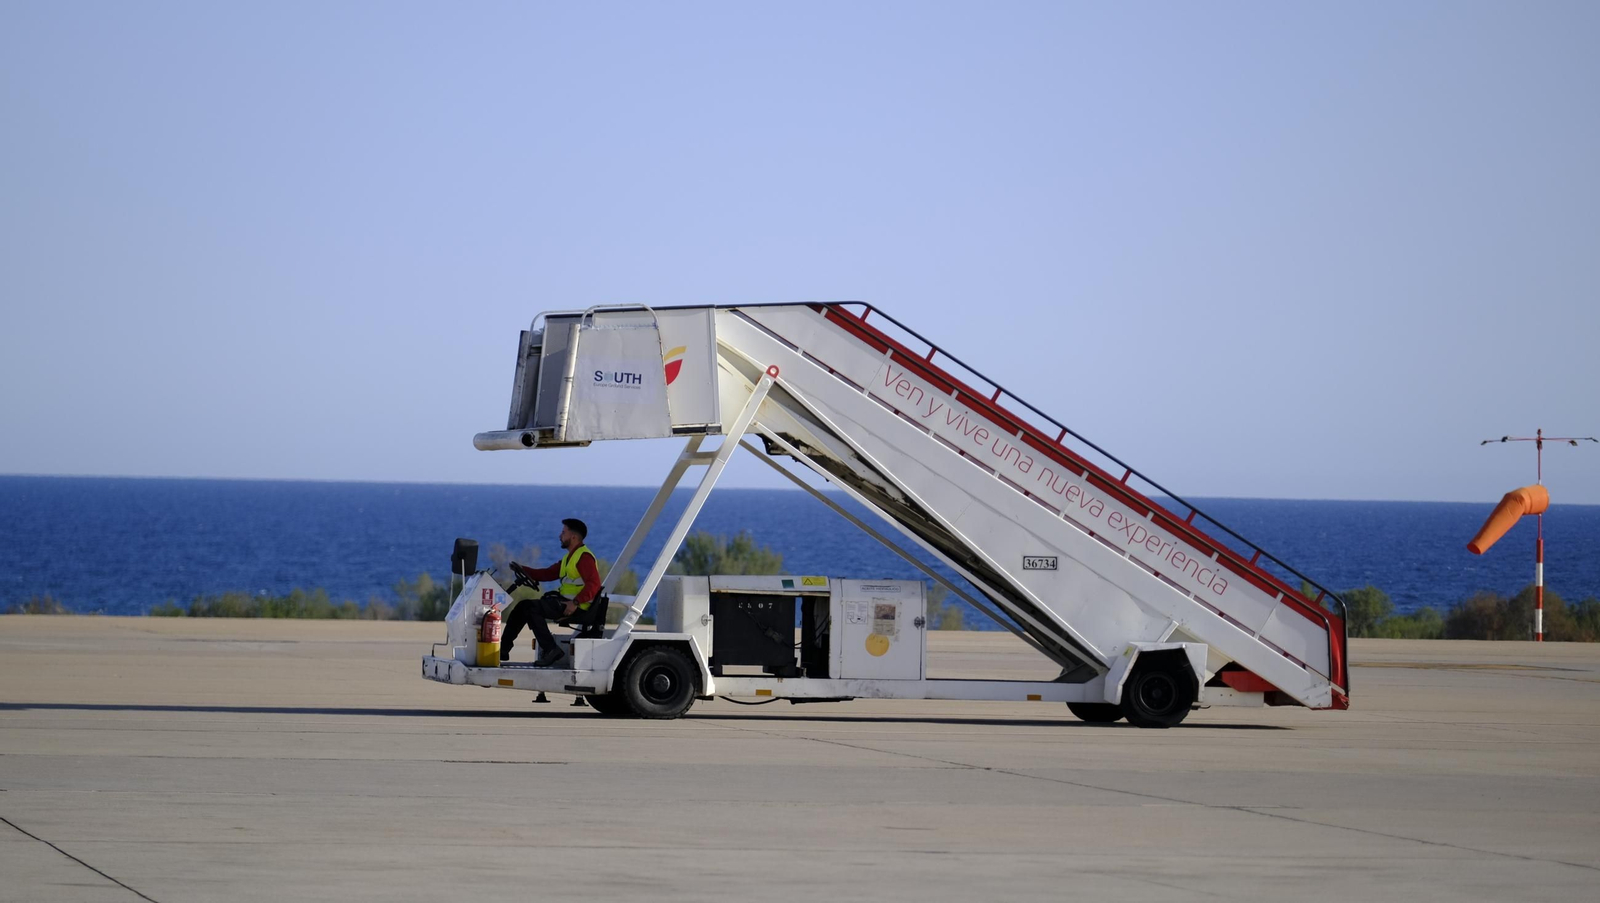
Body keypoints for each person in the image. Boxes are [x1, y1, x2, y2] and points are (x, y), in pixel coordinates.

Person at [500, 518, 601, 667]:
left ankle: (551, 650)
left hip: (577, 606)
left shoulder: (584, 557)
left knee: (531, 608)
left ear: (573, 537)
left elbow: (594, 584)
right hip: (566, 602)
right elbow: (547, 574)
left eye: (563, 532)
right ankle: (503, 649)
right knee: (523, 606)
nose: (560, 536)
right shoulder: (569, 558)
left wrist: (575, 603)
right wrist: (523, 569)